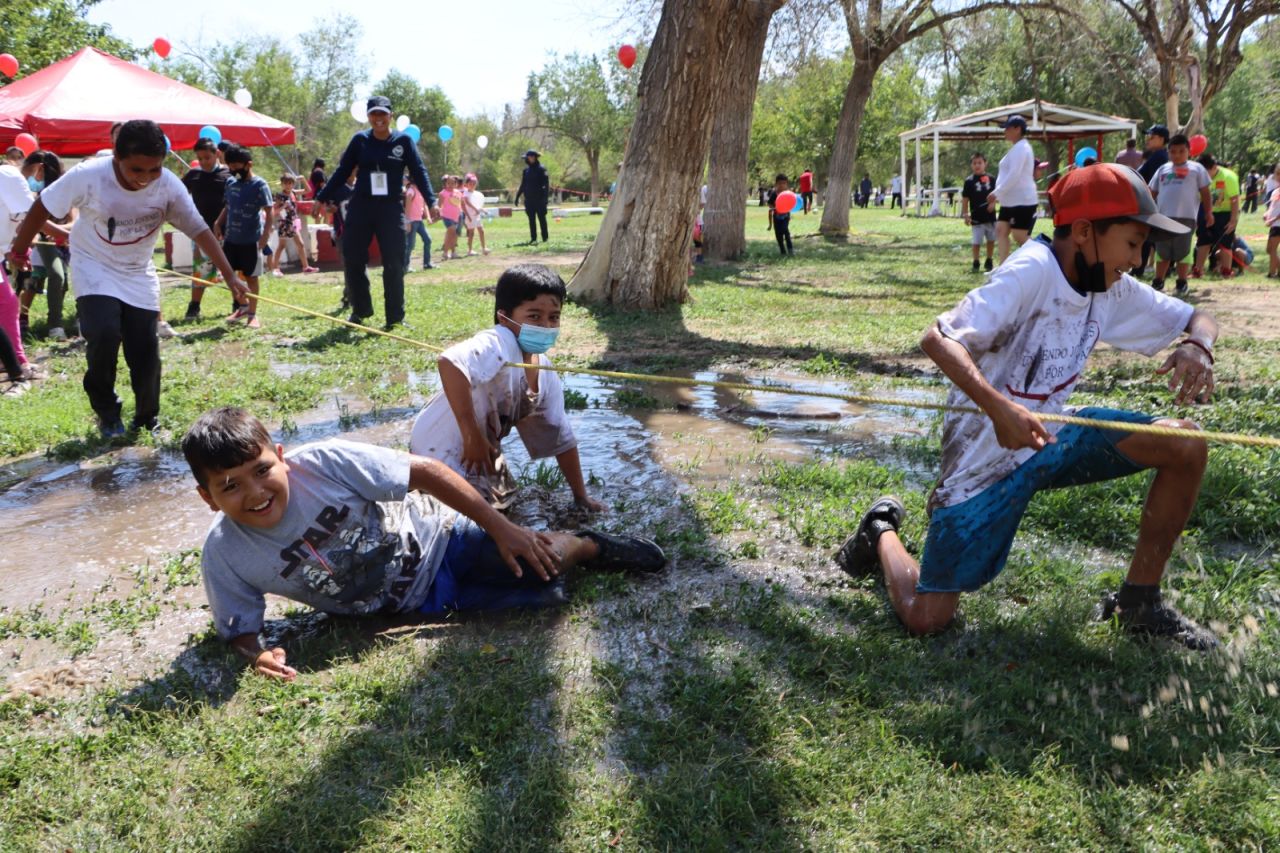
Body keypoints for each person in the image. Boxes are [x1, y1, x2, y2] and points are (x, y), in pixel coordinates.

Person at [836, 163, 1221, 651]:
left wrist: (1198, 346)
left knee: (1186, 443)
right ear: (1084, 232)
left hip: (1050, 440)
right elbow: (937, 338)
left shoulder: (1110, 284)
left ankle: (1138, 602)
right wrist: (998, 409)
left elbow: (1199, 317)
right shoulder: (1030, 271)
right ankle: (880, 534)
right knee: (927, 618)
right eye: (1132, 242)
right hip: (985, 468)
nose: (1138, 259)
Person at [183, 406, 665, 681]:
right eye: (229, 486)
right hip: (409, 606)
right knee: (544, 597)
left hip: (442, 542)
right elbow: (239, 625)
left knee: (543, 562)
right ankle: (548, 563)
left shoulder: (325, 463)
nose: (255, 492)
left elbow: (425, 471)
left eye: (261, 470)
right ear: (207, 497)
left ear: (281, 458)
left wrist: (502, 527)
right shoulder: (225, 552)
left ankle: (588, 544)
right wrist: (259, 654)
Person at [8, 120, 247, 436]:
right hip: (93, 265)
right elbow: (42, 206)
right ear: (117, 158)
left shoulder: (169, 186)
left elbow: (200, 229)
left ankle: (147, 418)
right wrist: (21, 249)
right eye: (136, 170)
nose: (145, 179)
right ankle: (107, 412)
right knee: (103, 332)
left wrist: (229, 276)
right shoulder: (90, 175)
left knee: (145, 349)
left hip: (137, 272)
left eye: (154, 170)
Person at [410, 264, 605, 511]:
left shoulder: (543, 369)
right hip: (439, 446)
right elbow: (450, 361)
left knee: (508, 504)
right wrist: (472, 438)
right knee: (469, 523)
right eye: (534, 316)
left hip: (483, 450)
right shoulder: (500, 341)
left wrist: (581, 498)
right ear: (504, 318)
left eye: (553, 317)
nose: (546, 326)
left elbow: (561, 436)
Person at [316, 96, 438, 330]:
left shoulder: (403, 141)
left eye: (382, 114)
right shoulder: (360, 140)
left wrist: (431, 201)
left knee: (394, 261)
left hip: (390, 207)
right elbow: (342, 172)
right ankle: (360, 310)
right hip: (361, 205)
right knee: (352, 257)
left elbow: (419, 172)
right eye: (374, 114)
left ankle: (395, 317)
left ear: (390, 115)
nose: (378, 119)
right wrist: (322, 197)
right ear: (368, 116)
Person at [214, 146, 273, 330]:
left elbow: (269, 212)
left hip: (251, 240)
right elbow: (228, 206)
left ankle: (253, 315)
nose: (233, 170)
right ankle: (243, 307)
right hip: (232, 239)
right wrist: (218, 223)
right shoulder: (231, 183)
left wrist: (264, 237)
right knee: (229, 275)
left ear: (249, 165)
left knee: (251, 278)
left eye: (237, 166)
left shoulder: (260, 185)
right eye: (230, 166)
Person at [18, 150, 74, 341]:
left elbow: (73, 220)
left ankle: (51, 320)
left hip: (61, 244)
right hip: (42, 243)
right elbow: (34, 222)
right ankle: (52, 325)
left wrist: (58, 231)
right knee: (42, 280)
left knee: (59, 282)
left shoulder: (66, 191)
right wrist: (51, 233)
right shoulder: (37, 196)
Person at [1146, 134, 1211, 297]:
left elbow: (1205, 192)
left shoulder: (1197, 169)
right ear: (1168, 152)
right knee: (1163, 251)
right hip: (1164, 217)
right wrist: (1146, 210)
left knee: (1183, 251)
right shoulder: (1163, 169)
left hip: (1186, 217)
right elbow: (1152, 191)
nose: (1177, 155)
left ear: (1188, 151)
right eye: (1173, 151)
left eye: (1181, 151)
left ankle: (1182, 282)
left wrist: (1209, 212)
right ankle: (1158, 280)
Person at [180, 137, 230, 321]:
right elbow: (178, 195)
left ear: (217, 154)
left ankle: (238, 304)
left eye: (207, 158)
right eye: (200, 159)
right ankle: (194, 307)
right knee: (201, 270)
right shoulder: (193, 175)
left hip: (227, 231)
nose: (203, 162)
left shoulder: (228, 176)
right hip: (201, 232)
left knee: (232, 268)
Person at [986, 114, 1038, 265]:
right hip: (1009, 202)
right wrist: (999, 196)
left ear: (1017, 129)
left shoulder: (1022, 148)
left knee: (1020, 237)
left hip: (1022, 201)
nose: (1005, 131)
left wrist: (996, 193)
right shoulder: (1016, 148)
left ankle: (1045, 255)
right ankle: (1003, 267)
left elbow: (1014, 175)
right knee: (1001, 231)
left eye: (1007, 128)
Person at [1193, 153, 1240, 279]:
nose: (1202, 175)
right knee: (1203, 241)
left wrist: (1233, 220)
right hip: (1205, 210)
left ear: (1214, 167)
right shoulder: (1198, 177)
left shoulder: (1229, 176)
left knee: (1225, 243)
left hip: (1224, 213)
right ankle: (1198, 271)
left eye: (1205, 172)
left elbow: (1235, 199)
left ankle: (1226, 271)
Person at [1134, 124, 1171, 278]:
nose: (1148, 139)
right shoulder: (1156, 156)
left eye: (1152, 136)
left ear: (1162, 139)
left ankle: (1140, 268)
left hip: (1151, 202)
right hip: (1150, 201)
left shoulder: (1159, 158)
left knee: (1148, 237)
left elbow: (1155, 184)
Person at [267, 173, 318, 277]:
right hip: (284, 224)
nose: (288, 186)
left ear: (293, 184)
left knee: (301, 244)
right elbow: (274, 211)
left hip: (294, 223)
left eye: (290, 183)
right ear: (282, 184)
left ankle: (306, 267)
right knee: (281, 246)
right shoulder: (280, 196)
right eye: (286, 183)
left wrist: (303, 179)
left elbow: (308, 191)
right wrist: (283, 206)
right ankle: (275, 268)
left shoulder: (293, 193)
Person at [960, 152, 996, 273]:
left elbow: (997, 194)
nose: (977, 165)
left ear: (985, 164)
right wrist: (965, 214)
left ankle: (989, 259)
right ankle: (976, 261)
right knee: (976, 242)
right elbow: (965, 199)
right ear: (971, 165)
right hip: (976, 218)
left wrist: (993, 203)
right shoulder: (969, 181)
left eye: (980, 163)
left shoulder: (992, 179)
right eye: (974, 163)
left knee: (991, 240)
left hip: (990, 217)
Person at [514, 149, 550, 244]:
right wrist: (517, 196)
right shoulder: (526, 171)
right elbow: (523, 184)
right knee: (531, 220)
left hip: (539, 199)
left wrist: (545, 199)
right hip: (529, 200)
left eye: (528, 157)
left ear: (534, 157)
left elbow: (546, 185)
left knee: (542, 219)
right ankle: (533, 238)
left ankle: (545, 238)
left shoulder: (542, 169)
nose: (527, 159)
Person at [403, 175, 433, 272]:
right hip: (411, 221)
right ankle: (405, 267)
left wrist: (428, 217)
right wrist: (407, 222)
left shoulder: (420, 191)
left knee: (428, 240)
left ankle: (427, 263)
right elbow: (407, 208)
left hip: (419, 221)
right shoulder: (411, 191)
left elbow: (424, 205)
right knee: (410, 245)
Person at [766, 173, 794, 257]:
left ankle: (790, 250)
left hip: (785, 216)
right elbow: (770, 204)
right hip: (776, 217)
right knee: (778, 235)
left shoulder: (788, 193)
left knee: (785, 231)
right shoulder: (774, 194)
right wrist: (770, 224)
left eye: (784, 183)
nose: (782, 185)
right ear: (776, 184)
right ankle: (782, 251)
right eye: (780, 183)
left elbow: (792, 203)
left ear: (786, 184)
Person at [461, 173, 489, 256]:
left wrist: (482, 209)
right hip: (470, 216)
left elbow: (478, 205)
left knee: (481, 231)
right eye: (470, 183)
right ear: (466, 184)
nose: (472, 185)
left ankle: (484, 248)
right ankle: (470, 250)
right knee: (471, 233)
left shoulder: (477, 194)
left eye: (474, 184)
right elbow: (467, 202)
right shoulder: (466, 193)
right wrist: (475, 210)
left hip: (477, 216)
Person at [437, 175, 462, 262]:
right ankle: (445, 253)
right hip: (446, 216)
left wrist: (460, 213)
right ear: (446, 184)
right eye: (448, 183)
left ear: (456, 184)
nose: (450, 185)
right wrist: (438, 215)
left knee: (453, 235)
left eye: (453, 183)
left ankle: (453, 253)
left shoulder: (458, 192)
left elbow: (459, 203)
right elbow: (439, 205)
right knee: (451, 231)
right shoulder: (442, 193)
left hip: (456, 217)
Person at [1263, 164, 1280, 278]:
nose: (1278, 176)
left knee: (1272, 249)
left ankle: (1272, 273)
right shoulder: (1275, 191)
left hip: (1277, 224)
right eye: (1277, 173)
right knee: (1269, 249)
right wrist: (1267, 214)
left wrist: (1274, 219)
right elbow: (1272, 207)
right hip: (1274, 224)